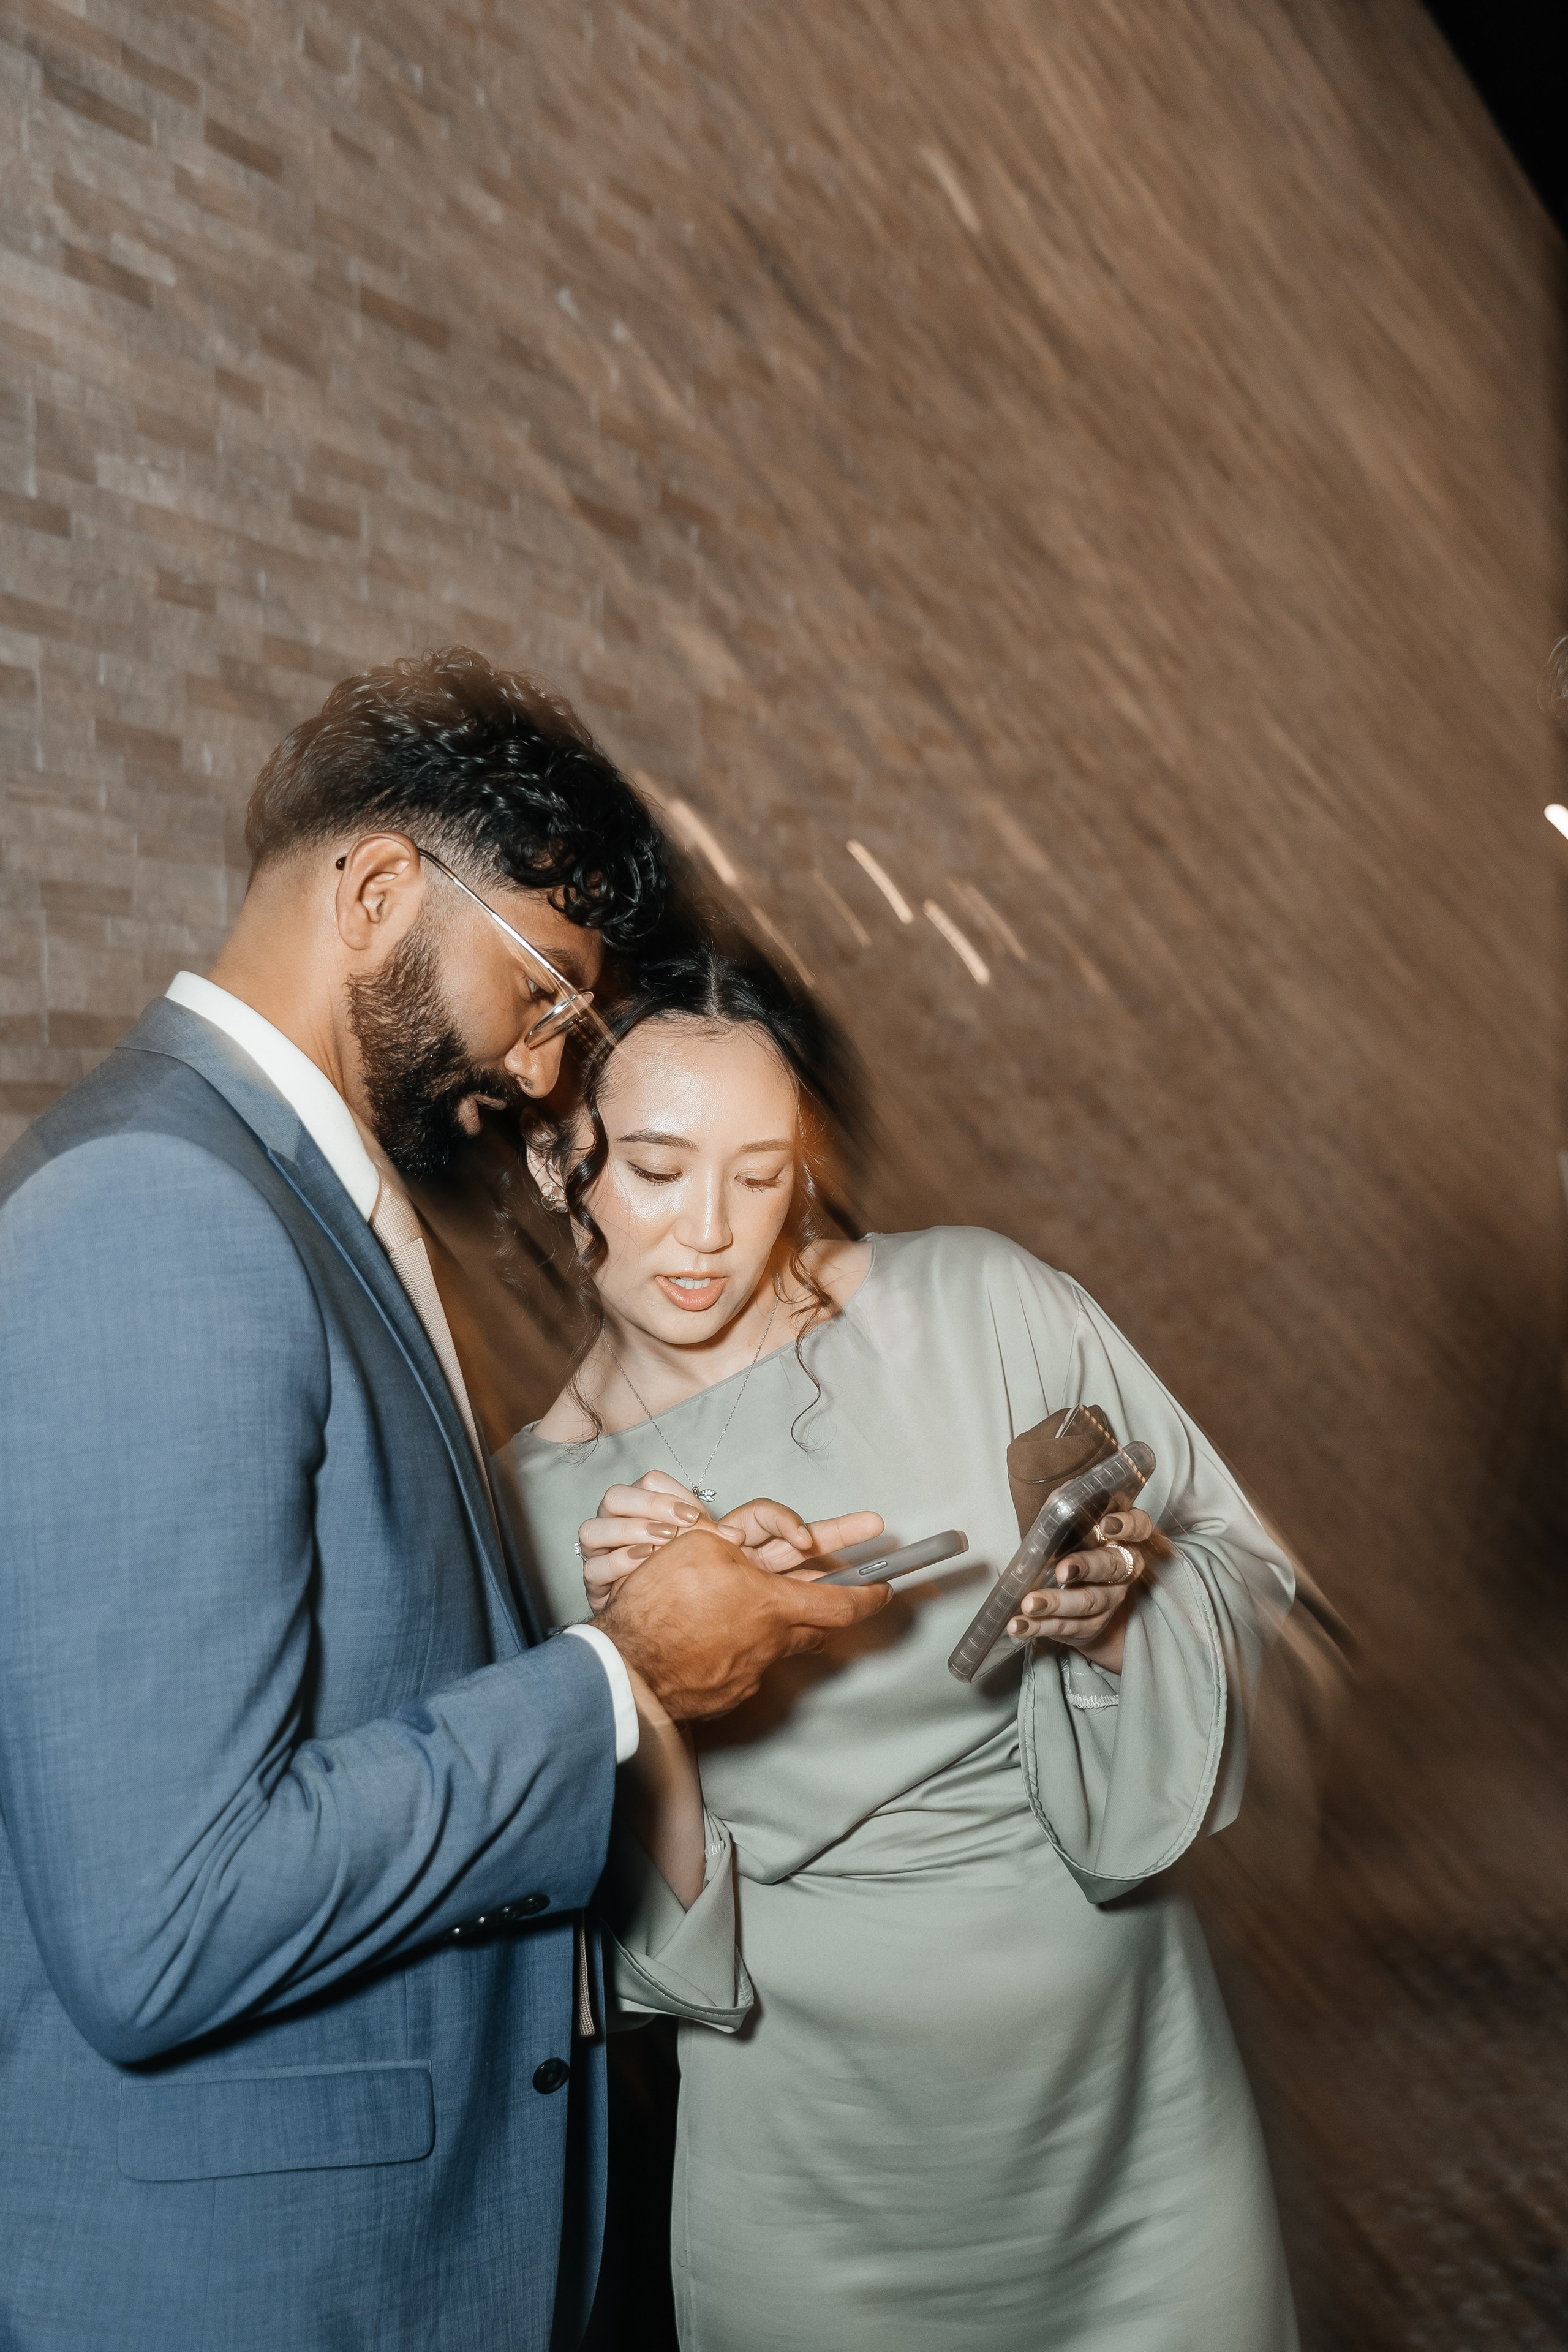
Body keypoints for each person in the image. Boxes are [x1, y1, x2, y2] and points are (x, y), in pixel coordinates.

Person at [0, 650, 888, 2352]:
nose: (554, 1075)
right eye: (547, 996)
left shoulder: (294, 1198)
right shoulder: (156, 1215)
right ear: (382, 888)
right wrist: (616, 1681)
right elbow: (167, 1924)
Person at [494, 932, 1302, 2352]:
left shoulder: (978, 1305)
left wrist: (1120, 1615)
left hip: (1137, 2129)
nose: (710, 1235)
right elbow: (629, 1950)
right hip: (822, 2189)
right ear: (553, 1160)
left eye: (760, 1176)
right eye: (658, 1170)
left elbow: (1243, 1569)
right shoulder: (527, 1509)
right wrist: (646, 1676)